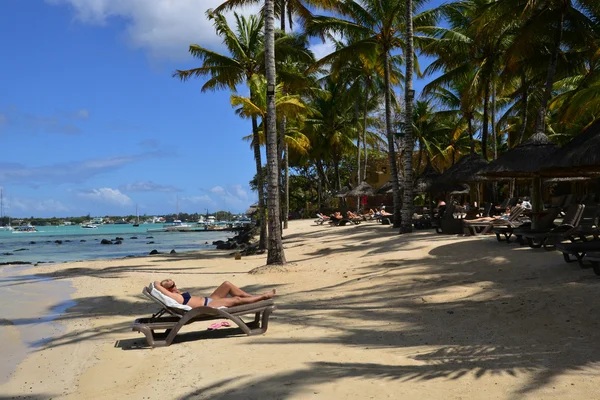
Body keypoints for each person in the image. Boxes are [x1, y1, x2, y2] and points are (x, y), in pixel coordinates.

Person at [154, 279, 276, 309]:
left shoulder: (176, 292)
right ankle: (263, 296)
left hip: (209, 299)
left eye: (174, 283)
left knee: (227, 284)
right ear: (168, 290)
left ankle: (251, 297)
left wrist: (165, 283)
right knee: (236, 300)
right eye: (172, 286)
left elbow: (158, 283)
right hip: (208, 306)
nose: (175, 286)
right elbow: (156, 284)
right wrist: (160, 286)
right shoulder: (173, 296)